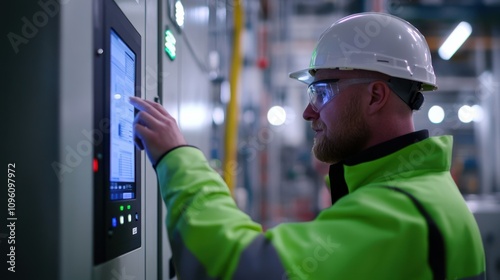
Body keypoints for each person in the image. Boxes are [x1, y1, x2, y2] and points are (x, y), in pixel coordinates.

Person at [130, 12, 485, 280]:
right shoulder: (425, 193)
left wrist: (176, 158)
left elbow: (236, 266)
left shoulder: (403, 213)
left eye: (322, 92)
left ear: (375, 95)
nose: (307, 111)